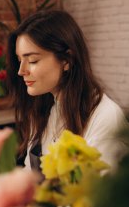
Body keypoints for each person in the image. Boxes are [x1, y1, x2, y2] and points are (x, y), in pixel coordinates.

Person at [7, 10, 127, 171]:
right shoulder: (44, 108)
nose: (21, 70)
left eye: (33, 60)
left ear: (66, 60)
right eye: (20, 60)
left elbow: (100, 193)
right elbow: (30, 174)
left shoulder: (105, 117)